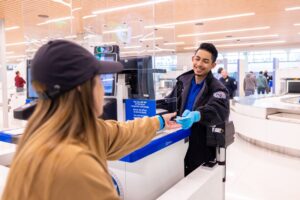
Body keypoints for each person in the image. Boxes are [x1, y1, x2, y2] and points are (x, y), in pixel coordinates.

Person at [2, 40, 194, 200]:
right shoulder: (73, 165)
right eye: (98, 81)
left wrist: (159, 122)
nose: (103, 89)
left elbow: (119, 134)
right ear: (80, 89)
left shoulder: (68, 131)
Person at [167, 43, 230, 176]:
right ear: (192, 59)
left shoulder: (218, 88)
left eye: (205, 61)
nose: (199, 64)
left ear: (213, 65)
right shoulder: (183, 82)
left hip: (201, 146)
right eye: (197, 59)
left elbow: (218, 110)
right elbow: (169, 102)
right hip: (178, 142)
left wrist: (197, 115)